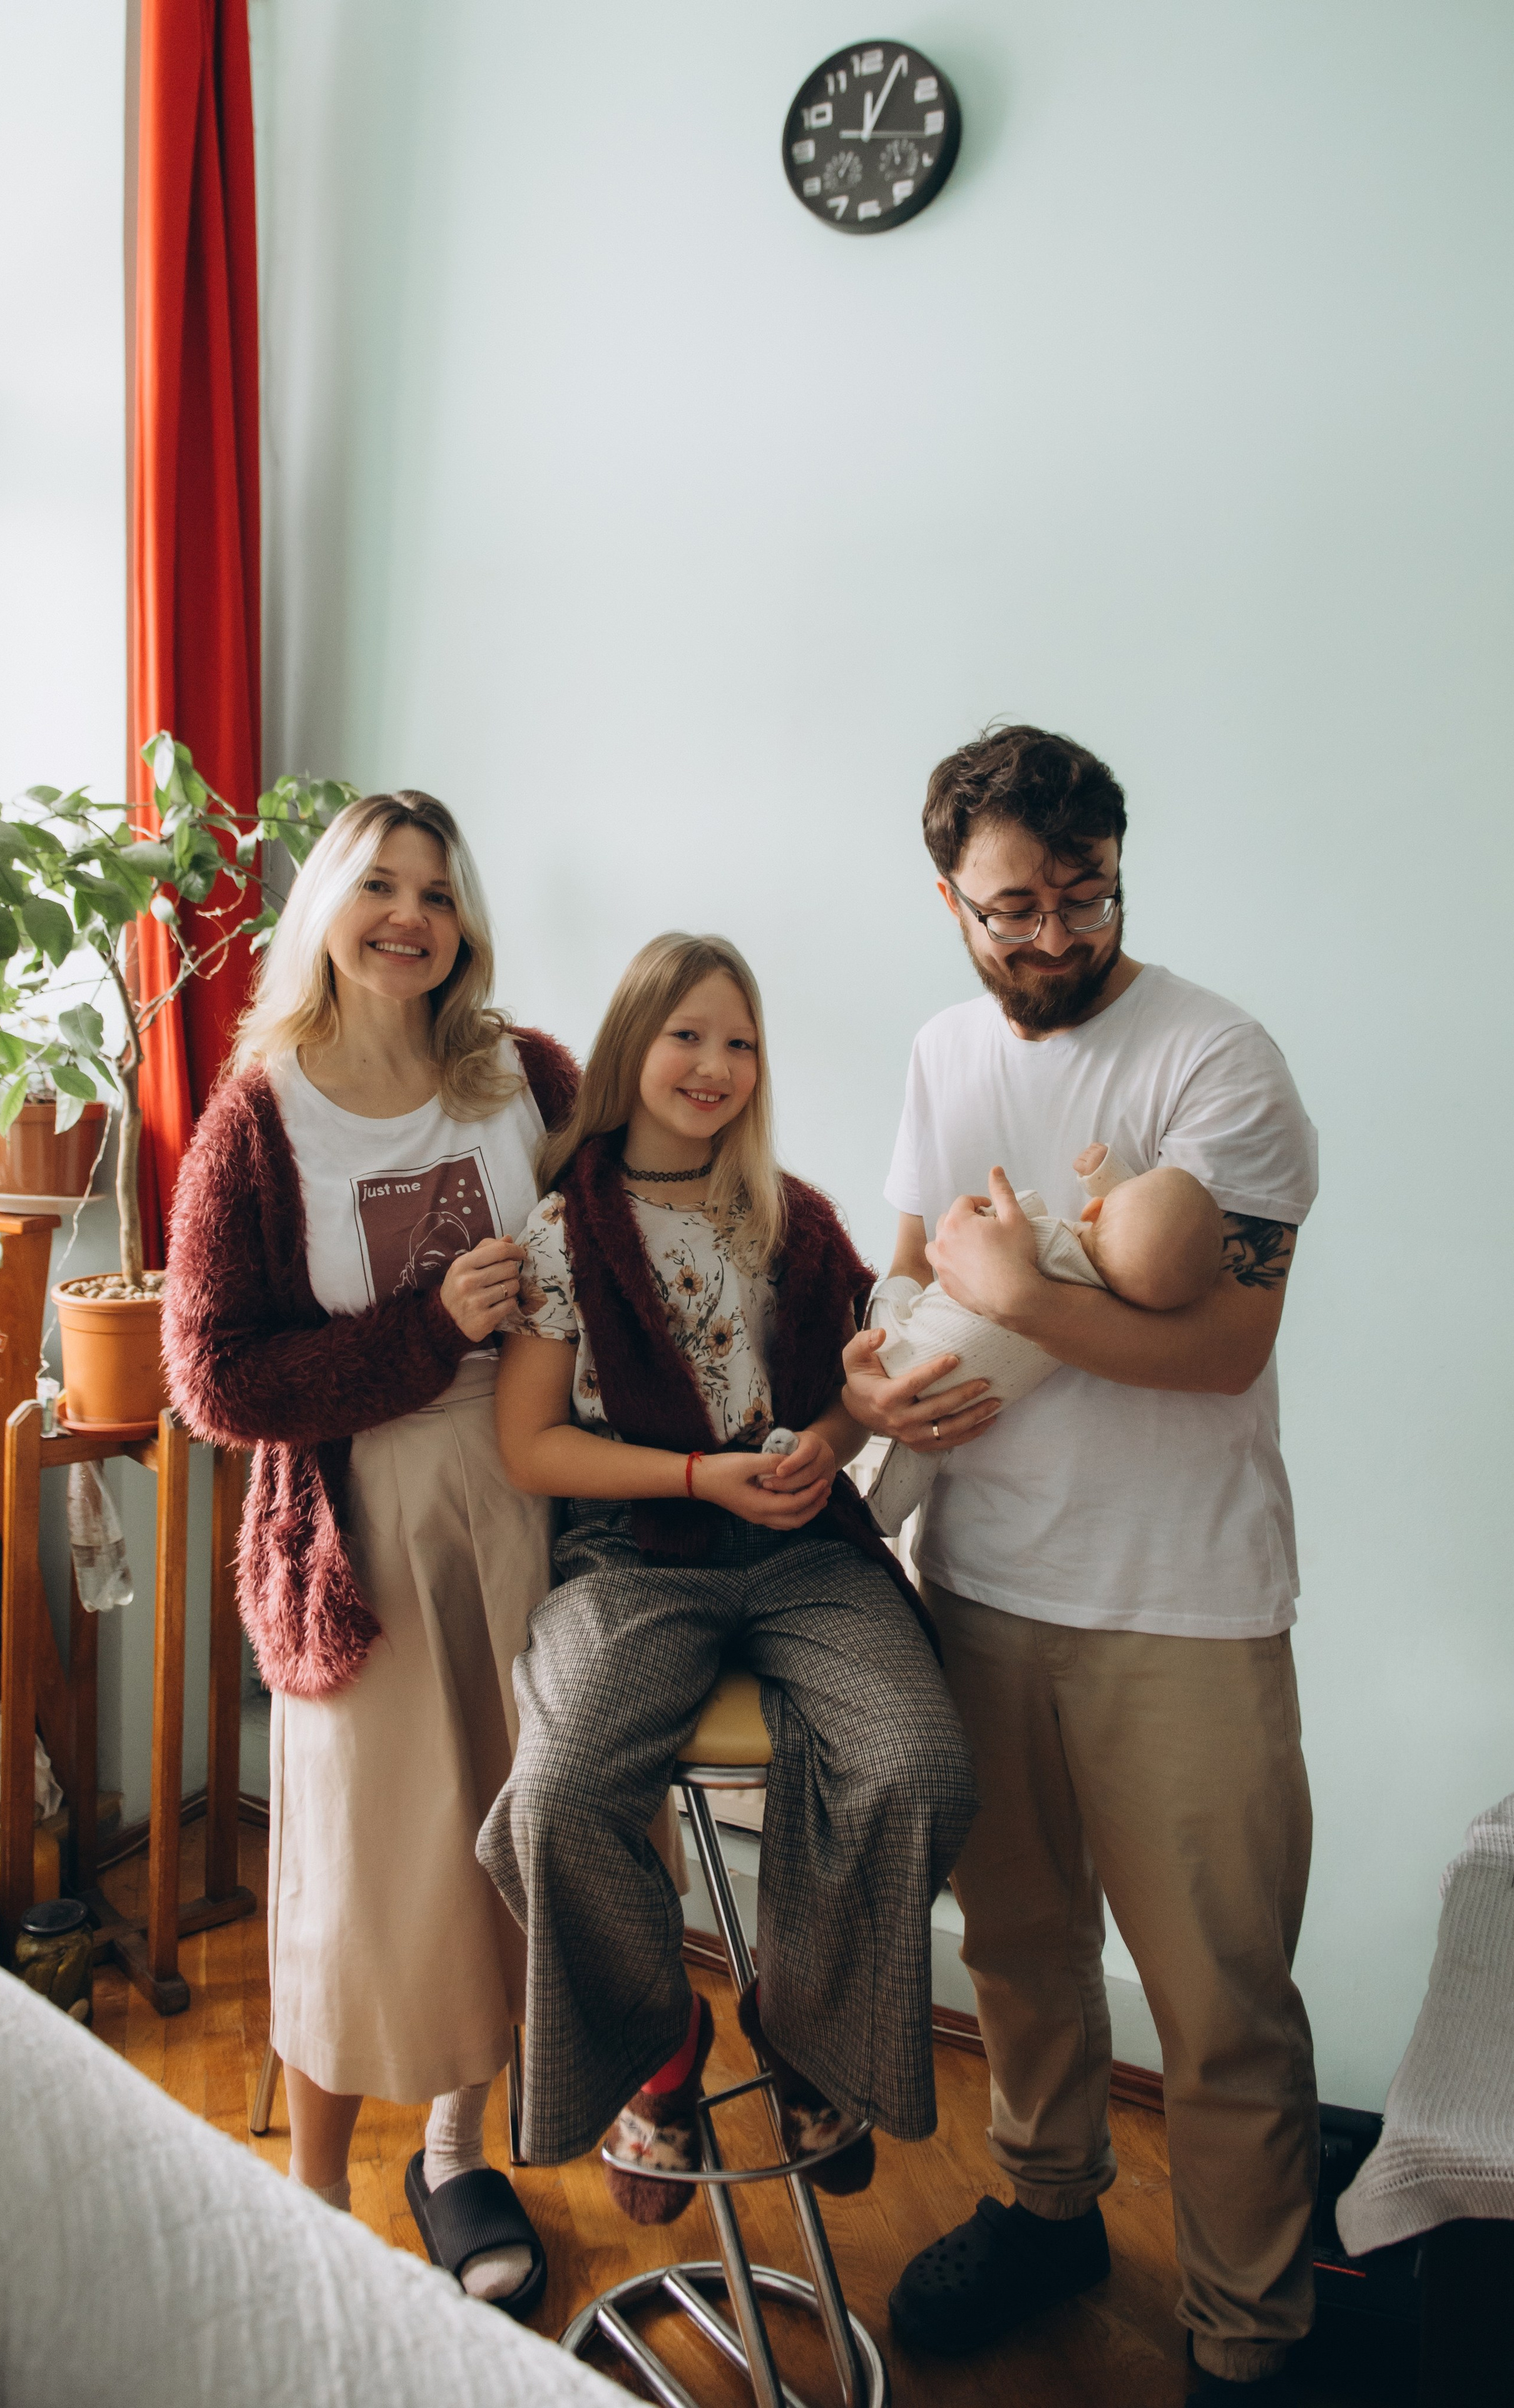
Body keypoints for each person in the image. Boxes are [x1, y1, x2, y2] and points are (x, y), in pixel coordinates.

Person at [844, 726, 1319, 2402]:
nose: (1052, 934)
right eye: (1012, 908)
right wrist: (868, 1372)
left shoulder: (1216, 1059)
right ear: (949, 901)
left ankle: (1249, 2330)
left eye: (1084, 893)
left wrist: (1026, 1296)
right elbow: (909, 1271)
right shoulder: (940, 1052)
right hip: (975, 1581)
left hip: (1179, 1603)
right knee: (1019, 1950)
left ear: (1117, 868)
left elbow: (1224, 1347)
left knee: (1220, 1996)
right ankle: (1046, 2210)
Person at [476, 932, 978, 2220]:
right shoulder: (563, 1230)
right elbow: (530, 1446)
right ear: (630, 1047)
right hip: (635, 1552)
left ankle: (803, 2027)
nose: (713, 1064)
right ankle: (660, 2046)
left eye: (739, 1041)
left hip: (800, 1544)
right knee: (558, 1795)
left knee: (919, 1763)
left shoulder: (790, 1219)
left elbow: (848, 1398)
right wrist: (702, 1478)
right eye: (686, 1034)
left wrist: (823, 1444)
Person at [162, 790, 576, 2317]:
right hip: (363, 1527)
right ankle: (319, 2187)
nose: (410, 915)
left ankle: (458, 2154)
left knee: (506, 1844)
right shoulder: (258, 1115)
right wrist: (423, 1329)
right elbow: (211, 1379)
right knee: (360, 1862)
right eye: (378, 885)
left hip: (532, 1501)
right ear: (324, 908)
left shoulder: (527, 1076)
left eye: (438, 891)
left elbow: (637, 1231)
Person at [865, 1141, 1222, 1532]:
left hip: (896, 1351)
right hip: (963, 1406)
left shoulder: (1048, 1239)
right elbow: (1152, 1234)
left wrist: (1102, 1176)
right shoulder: (1095, 1327)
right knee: (933, 1447)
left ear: (1095, 1210)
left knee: (897, 1292)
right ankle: (883, 1515)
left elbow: (1013, 1211)